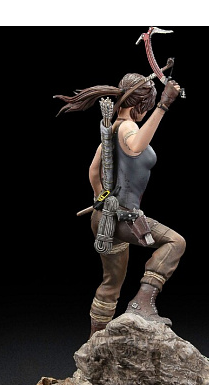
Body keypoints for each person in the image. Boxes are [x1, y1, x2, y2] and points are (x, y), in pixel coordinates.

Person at [55, 73, 185, 338]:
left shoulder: (112, 128)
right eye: (146, 106)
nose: (146, 112)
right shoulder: (127, 128)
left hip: (104, 218)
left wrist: (100, 198)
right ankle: (141, 303)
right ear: (140, 104)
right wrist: (163, 105)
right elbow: (136, 147)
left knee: (111, 283)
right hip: (124, 218)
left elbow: (93, 170)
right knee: (176, 242)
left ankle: (95, 341)